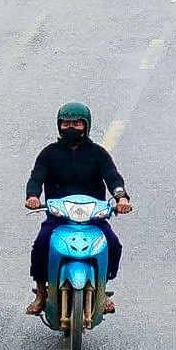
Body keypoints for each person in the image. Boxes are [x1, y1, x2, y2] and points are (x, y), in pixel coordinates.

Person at [25, 102, 129, 313]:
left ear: (86, 125)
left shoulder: (98, 154)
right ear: (59, 126)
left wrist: (121, 198)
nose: (71, 128)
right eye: (66, 124)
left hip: (93, 217)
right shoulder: (49, 154)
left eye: (76, 124)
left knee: (113, 245)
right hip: (59, 217)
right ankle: (41, 290)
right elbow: (36, 178)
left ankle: (102, 289)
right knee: (42, 242)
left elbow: (113, 177)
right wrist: (33, 196)